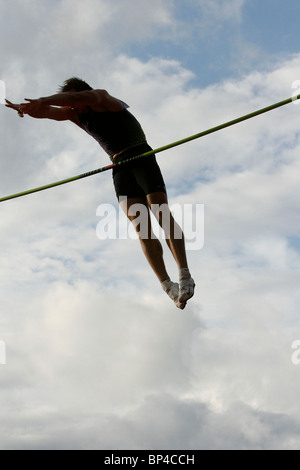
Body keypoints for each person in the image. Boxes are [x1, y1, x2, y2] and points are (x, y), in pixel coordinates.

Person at [6, 77, 195, 309]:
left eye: (75, 100)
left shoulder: (101, 98)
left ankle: (185, 275)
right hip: (119, 166)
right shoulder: (75, 113)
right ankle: (168, 286)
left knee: (160, 212)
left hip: (141, 157)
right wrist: (26, 108)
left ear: (84, 94)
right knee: (141, 226)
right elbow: (47, 112)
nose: (73, 107)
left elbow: (71, 99)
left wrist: (43, 100)